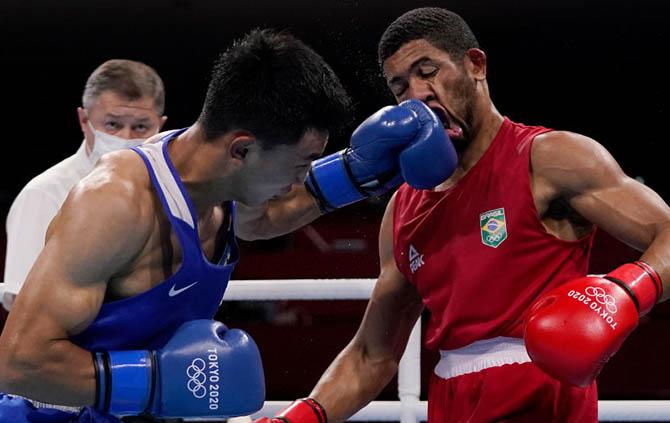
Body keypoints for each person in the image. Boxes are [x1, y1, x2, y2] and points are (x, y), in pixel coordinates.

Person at [0, 28, 456, 422]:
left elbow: (266, 218)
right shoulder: (116, 202)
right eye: (299, 165)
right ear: (240, 149)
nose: (298, 182)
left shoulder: (219, 186)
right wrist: (158, 380)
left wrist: (356, 173)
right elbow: (17, 363)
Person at [258, 7, 670, 423]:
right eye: (400, 87)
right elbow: (372, 354)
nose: (417, 94)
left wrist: (626, 293)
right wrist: (296, 418)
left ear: (475, 65)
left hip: (543, 395)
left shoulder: (549, 159)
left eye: (428, 71)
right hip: (452, 400)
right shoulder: (404, 208)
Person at [2, 59, 168, 311]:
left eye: (140, 127)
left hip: (153, 342)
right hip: (79, 346)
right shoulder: (44, 194)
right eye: (112, 124)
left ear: (161, 126)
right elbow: (23, 308)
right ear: (84, 120)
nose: (126, 138)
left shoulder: (172, 193)